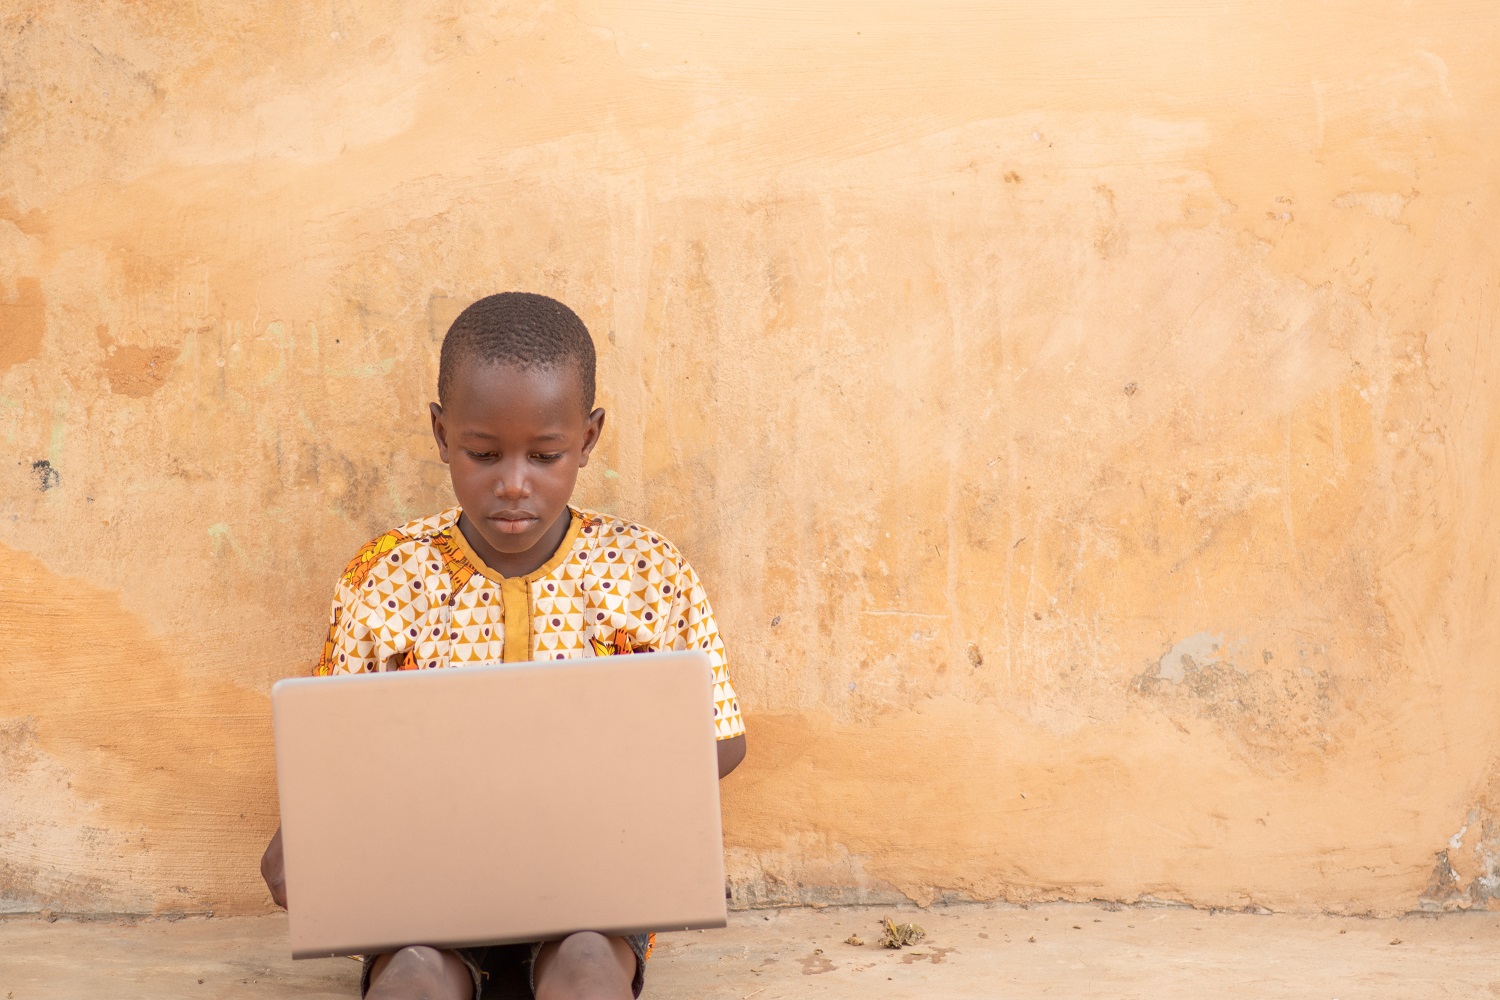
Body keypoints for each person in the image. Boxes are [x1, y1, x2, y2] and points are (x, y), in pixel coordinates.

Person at [259, 292, 748, 1000]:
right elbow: (335, 744)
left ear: (588, 438)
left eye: (545, 455)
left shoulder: (648, 571)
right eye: (482, 454)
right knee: (414, 978)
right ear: (439, 433)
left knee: (585, 968)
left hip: (592, 884)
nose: (513, 484)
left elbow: (721, 738)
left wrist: (614, 789)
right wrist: (305, 833)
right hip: (422, 884)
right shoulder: (388, 574)